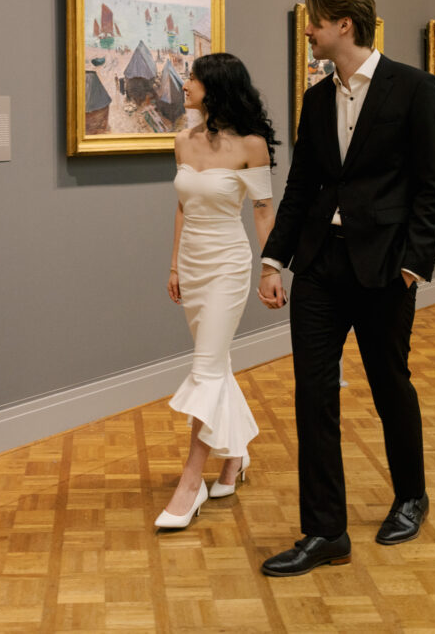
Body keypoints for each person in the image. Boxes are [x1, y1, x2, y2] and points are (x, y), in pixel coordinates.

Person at [257, 0, 435, 575]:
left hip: (386, 267)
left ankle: (411, 496)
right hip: (319, 266)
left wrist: (414, 263)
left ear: (344, 24)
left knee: (391, 385)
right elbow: (300, 187)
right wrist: (273, 260)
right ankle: (324, 532)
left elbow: (432, 185)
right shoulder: (317, 100)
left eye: (315, 23)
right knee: (313, 395)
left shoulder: (415, 89)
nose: (309, 31)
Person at [155, 52, 279, 530]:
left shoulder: (252, 145)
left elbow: (263, 212)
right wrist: (173, 265)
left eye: (193, 78)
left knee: (206, 369)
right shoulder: (181, 141)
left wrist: (271, 270)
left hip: (229, 264)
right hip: (193, 263)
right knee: (218, 364)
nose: (185, 84)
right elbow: (182, 208)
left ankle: (191, 484)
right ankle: (236, 457)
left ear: (216, 87)